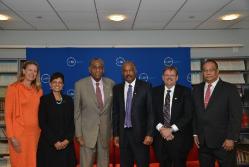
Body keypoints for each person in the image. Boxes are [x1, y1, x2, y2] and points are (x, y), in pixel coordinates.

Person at [192, 59, 242, 167]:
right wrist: (195, 133)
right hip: (203, 143)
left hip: (224, 142)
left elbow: (236, 115)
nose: (208, 72)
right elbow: (195, 114)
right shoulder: (196, 89)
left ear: (217, 71)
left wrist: (231, 137)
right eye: (205, 70)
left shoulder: (230, 89)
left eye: (211, 70)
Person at [74, 58, 115, 167]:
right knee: (86, 164)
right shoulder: (80, 85)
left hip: (105, 133)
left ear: (103, 69)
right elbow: (77, 112)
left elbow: (112, 111)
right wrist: (78, 134)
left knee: (104, 164)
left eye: (100, 67)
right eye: (94, 67)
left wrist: (112, 132)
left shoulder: (111, 84)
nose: (98, 70)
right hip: (86, 134)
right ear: (89, 69)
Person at [112, 61, 154, 167]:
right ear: (122, 73)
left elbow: (151, 112)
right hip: (123, 136)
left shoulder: (146, 87)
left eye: (130, 70)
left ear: (135, 71)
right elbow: (116, 113)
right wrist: (116, 134)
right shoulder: (117, 89)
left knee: (142, 164)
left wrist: (149, 134)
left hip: (141, 136)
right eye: (125, 71)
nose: (128, 73)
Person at [4, 60, 43, 167]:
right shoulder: (13, 88)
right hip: (18, 134)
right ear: (24, 71)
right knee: (19, 163)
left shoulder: (39, 91)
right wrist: (11, 137)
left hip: (35, 134)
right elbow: (8, 115)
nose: (32, 73)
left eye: (35, 71)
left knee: (33, 163)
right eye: (30, 70)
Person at [152, 66, 193, 167]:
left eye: (172, 75)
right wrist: (161, 128)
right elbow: (150, 113)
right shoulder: (153, 92)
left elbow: (188, 115)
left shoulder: (186, 92)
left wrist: (170, 129)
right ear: (162, 77)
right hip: (159, 138)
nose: (169, 77)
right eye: (166, 75)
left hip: (180, 138)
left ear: (177, 77)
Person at [37, 72, 76, 167]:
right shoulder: (44, 100)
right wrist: (55, 141)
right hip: (49, 145)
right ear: (50, 84)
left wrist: (67, 140)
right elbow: (42, 123)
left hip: (66, 146)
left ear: (63, 85)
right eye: (54, 82)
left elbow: (72, 122)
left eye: (60, 82)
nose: (57, 84)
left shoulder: (69, 100)